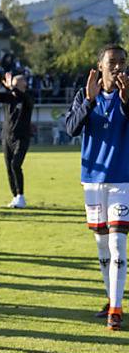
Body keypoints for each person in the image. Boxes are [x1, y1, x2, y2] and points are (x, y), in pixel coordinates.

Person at [65, 44, 129, 330]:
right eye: (112, 62)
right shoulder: (84, 93)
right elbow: (71, 128)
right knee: (102, 245)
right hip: (92, 180)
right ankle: (111, 299)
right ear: (100, 65)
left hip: (122, 180)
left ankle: (116, 310)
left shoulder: (128, 92)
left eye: (122, 62)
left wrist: (127, 100)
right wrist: (89, 101)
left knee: (117, 244)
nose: (118, 67)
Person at [0, 69, 34, 208]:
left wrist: (12, 88)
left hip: (22, 138)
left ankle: (21, 196)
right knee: (9, 168)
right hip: (7, 137)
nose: (13, 87)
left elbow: (22, 97)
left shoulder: (28, 99)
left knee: (16, 164)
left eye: (16, 85)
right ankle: (15, 197)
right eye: (12, 85)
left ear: (24, 85)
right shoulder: (9, 98)